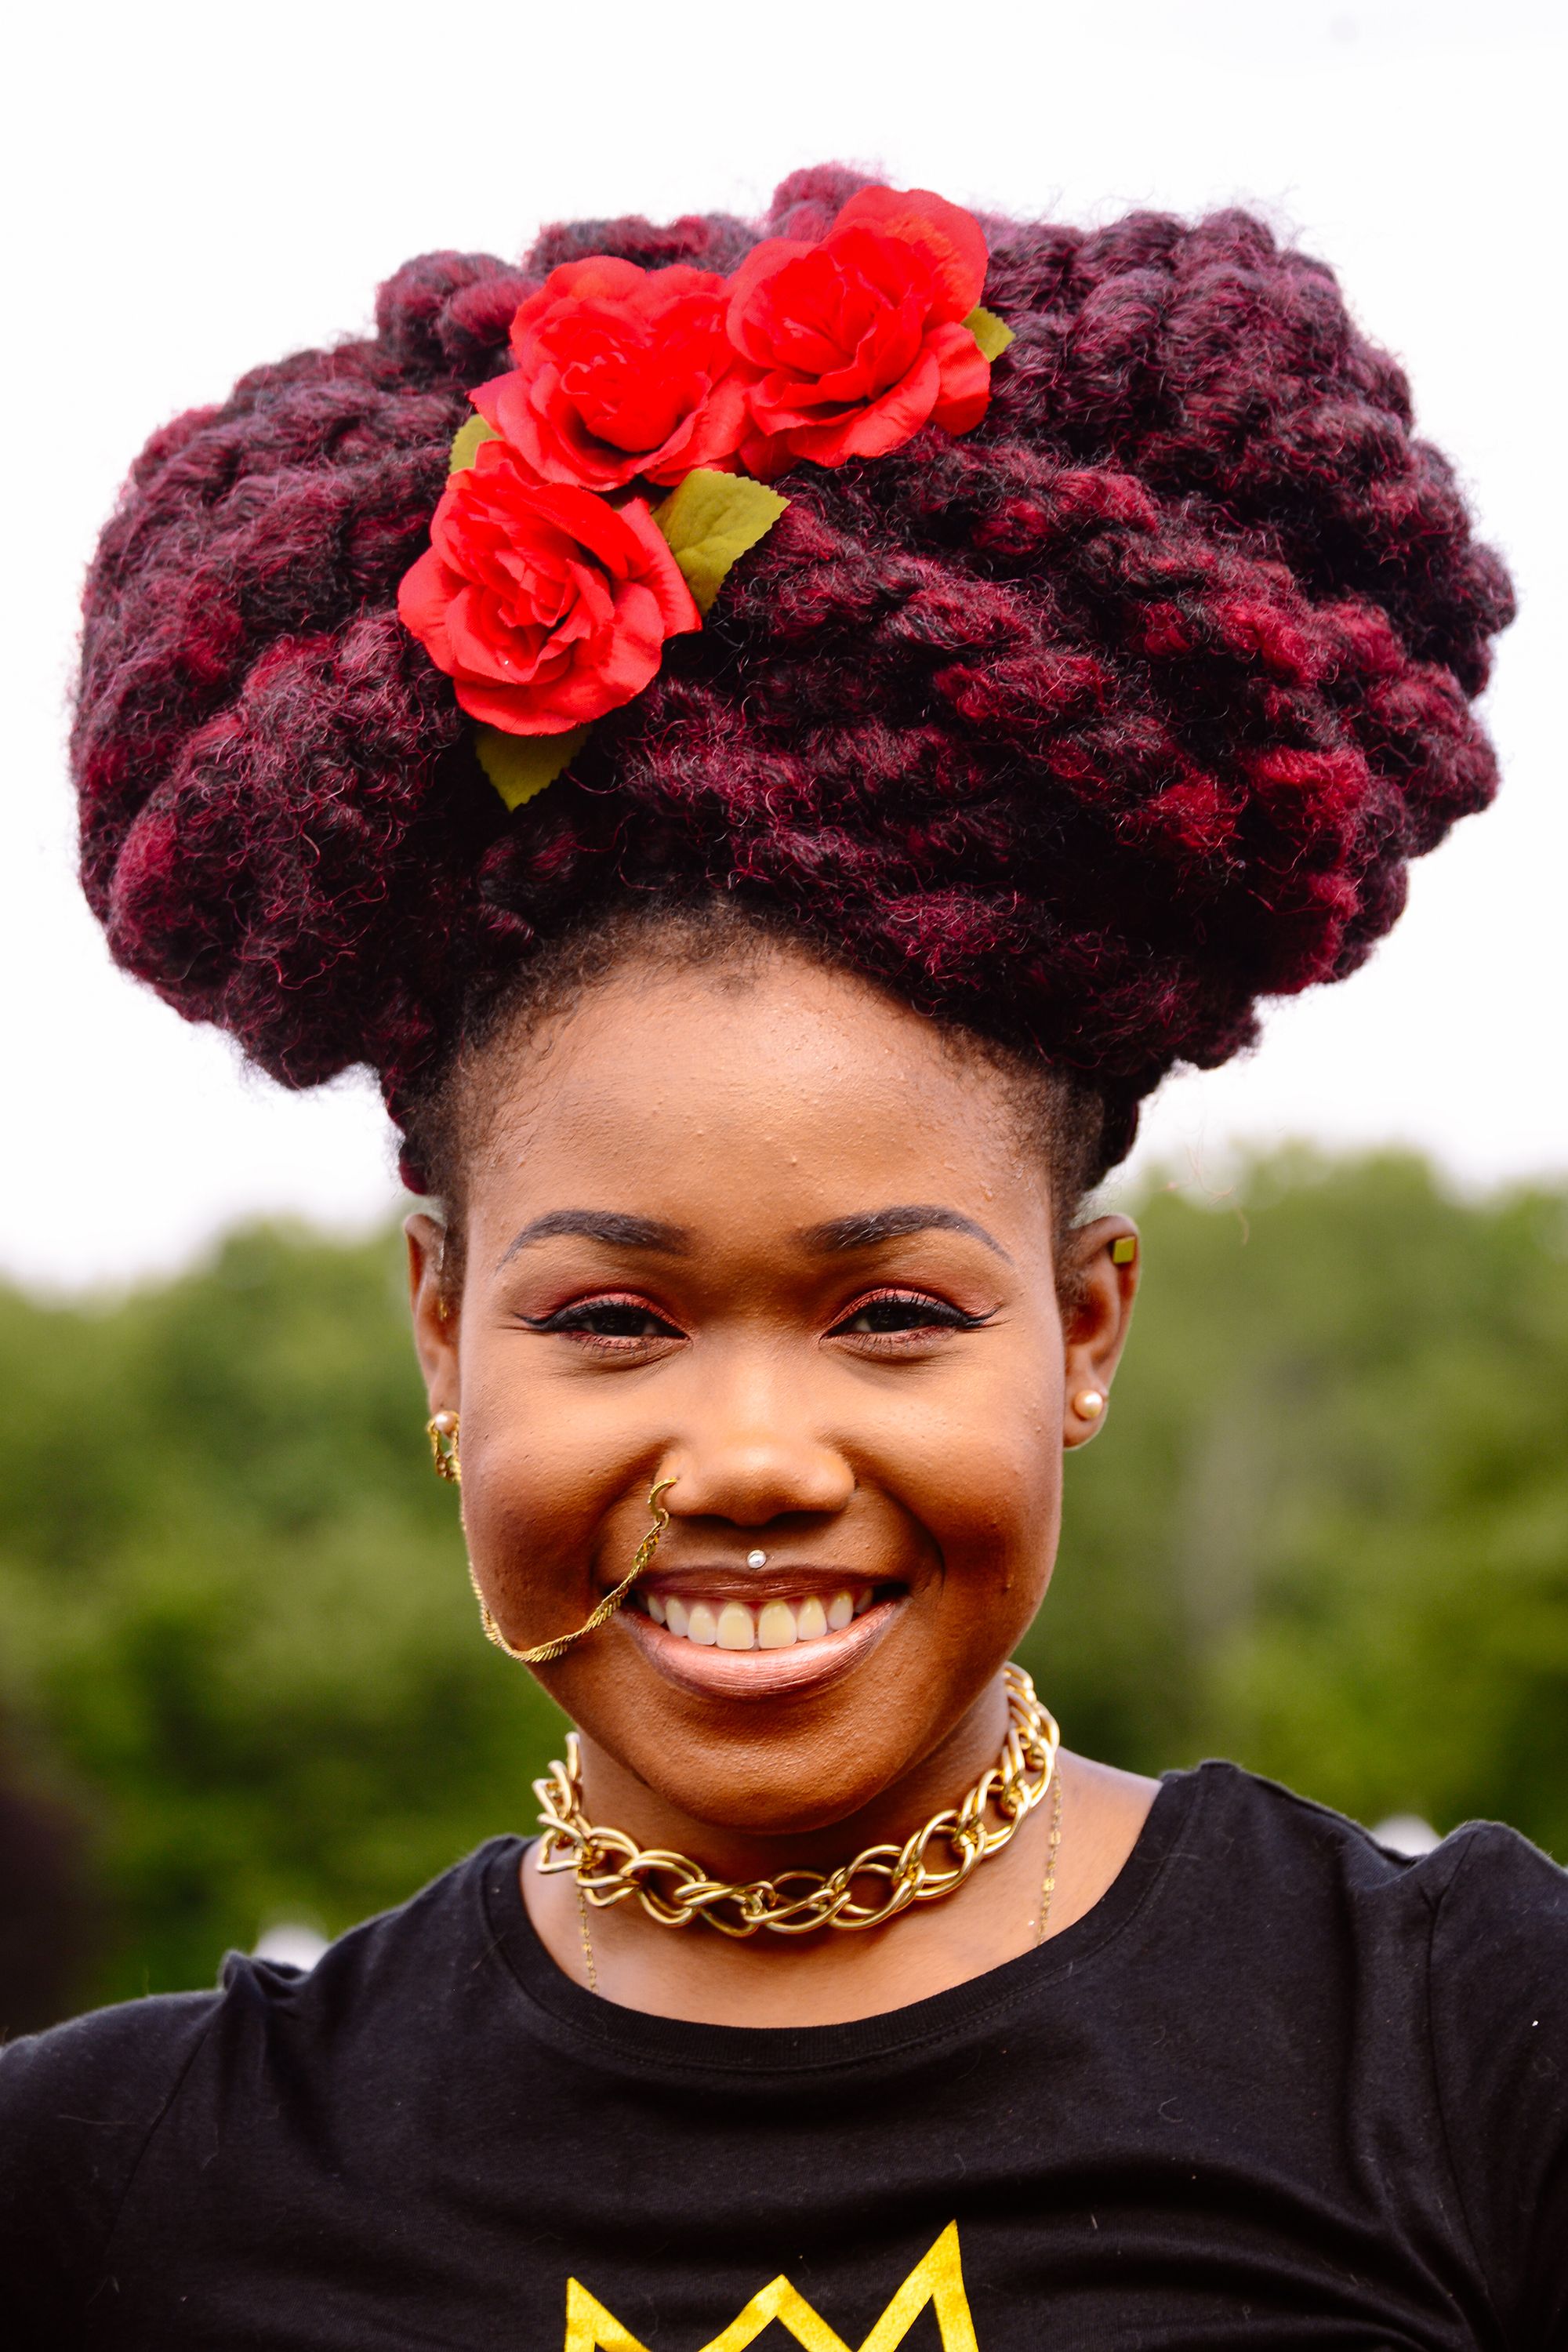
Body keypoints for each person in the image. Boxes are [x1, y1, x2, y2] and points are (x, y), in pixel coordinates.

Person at [3, 166, 1563, 2350]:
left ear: (1086, 1329)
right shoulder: (113, 2196)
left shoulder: (1470, 2058)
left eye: (894, 1315)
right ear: (444, 1337)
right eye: (612, 1318)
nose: (752, 1452)